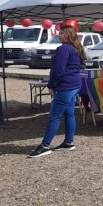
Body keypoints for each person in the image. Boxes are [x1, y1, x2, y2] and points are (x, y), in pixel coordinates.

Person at [29, 26, 85, 158]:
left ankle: (45, 146)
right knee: (69, 114)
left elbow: (57, 70)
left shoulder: (64, 48)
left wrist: (51, 84)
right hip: (75, 84)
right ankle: (69, 142)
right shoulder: (76, 48)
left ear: (68, 35)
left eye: (61, 33)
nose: (59, 35)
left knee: (54, 116)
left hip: (65, 86)